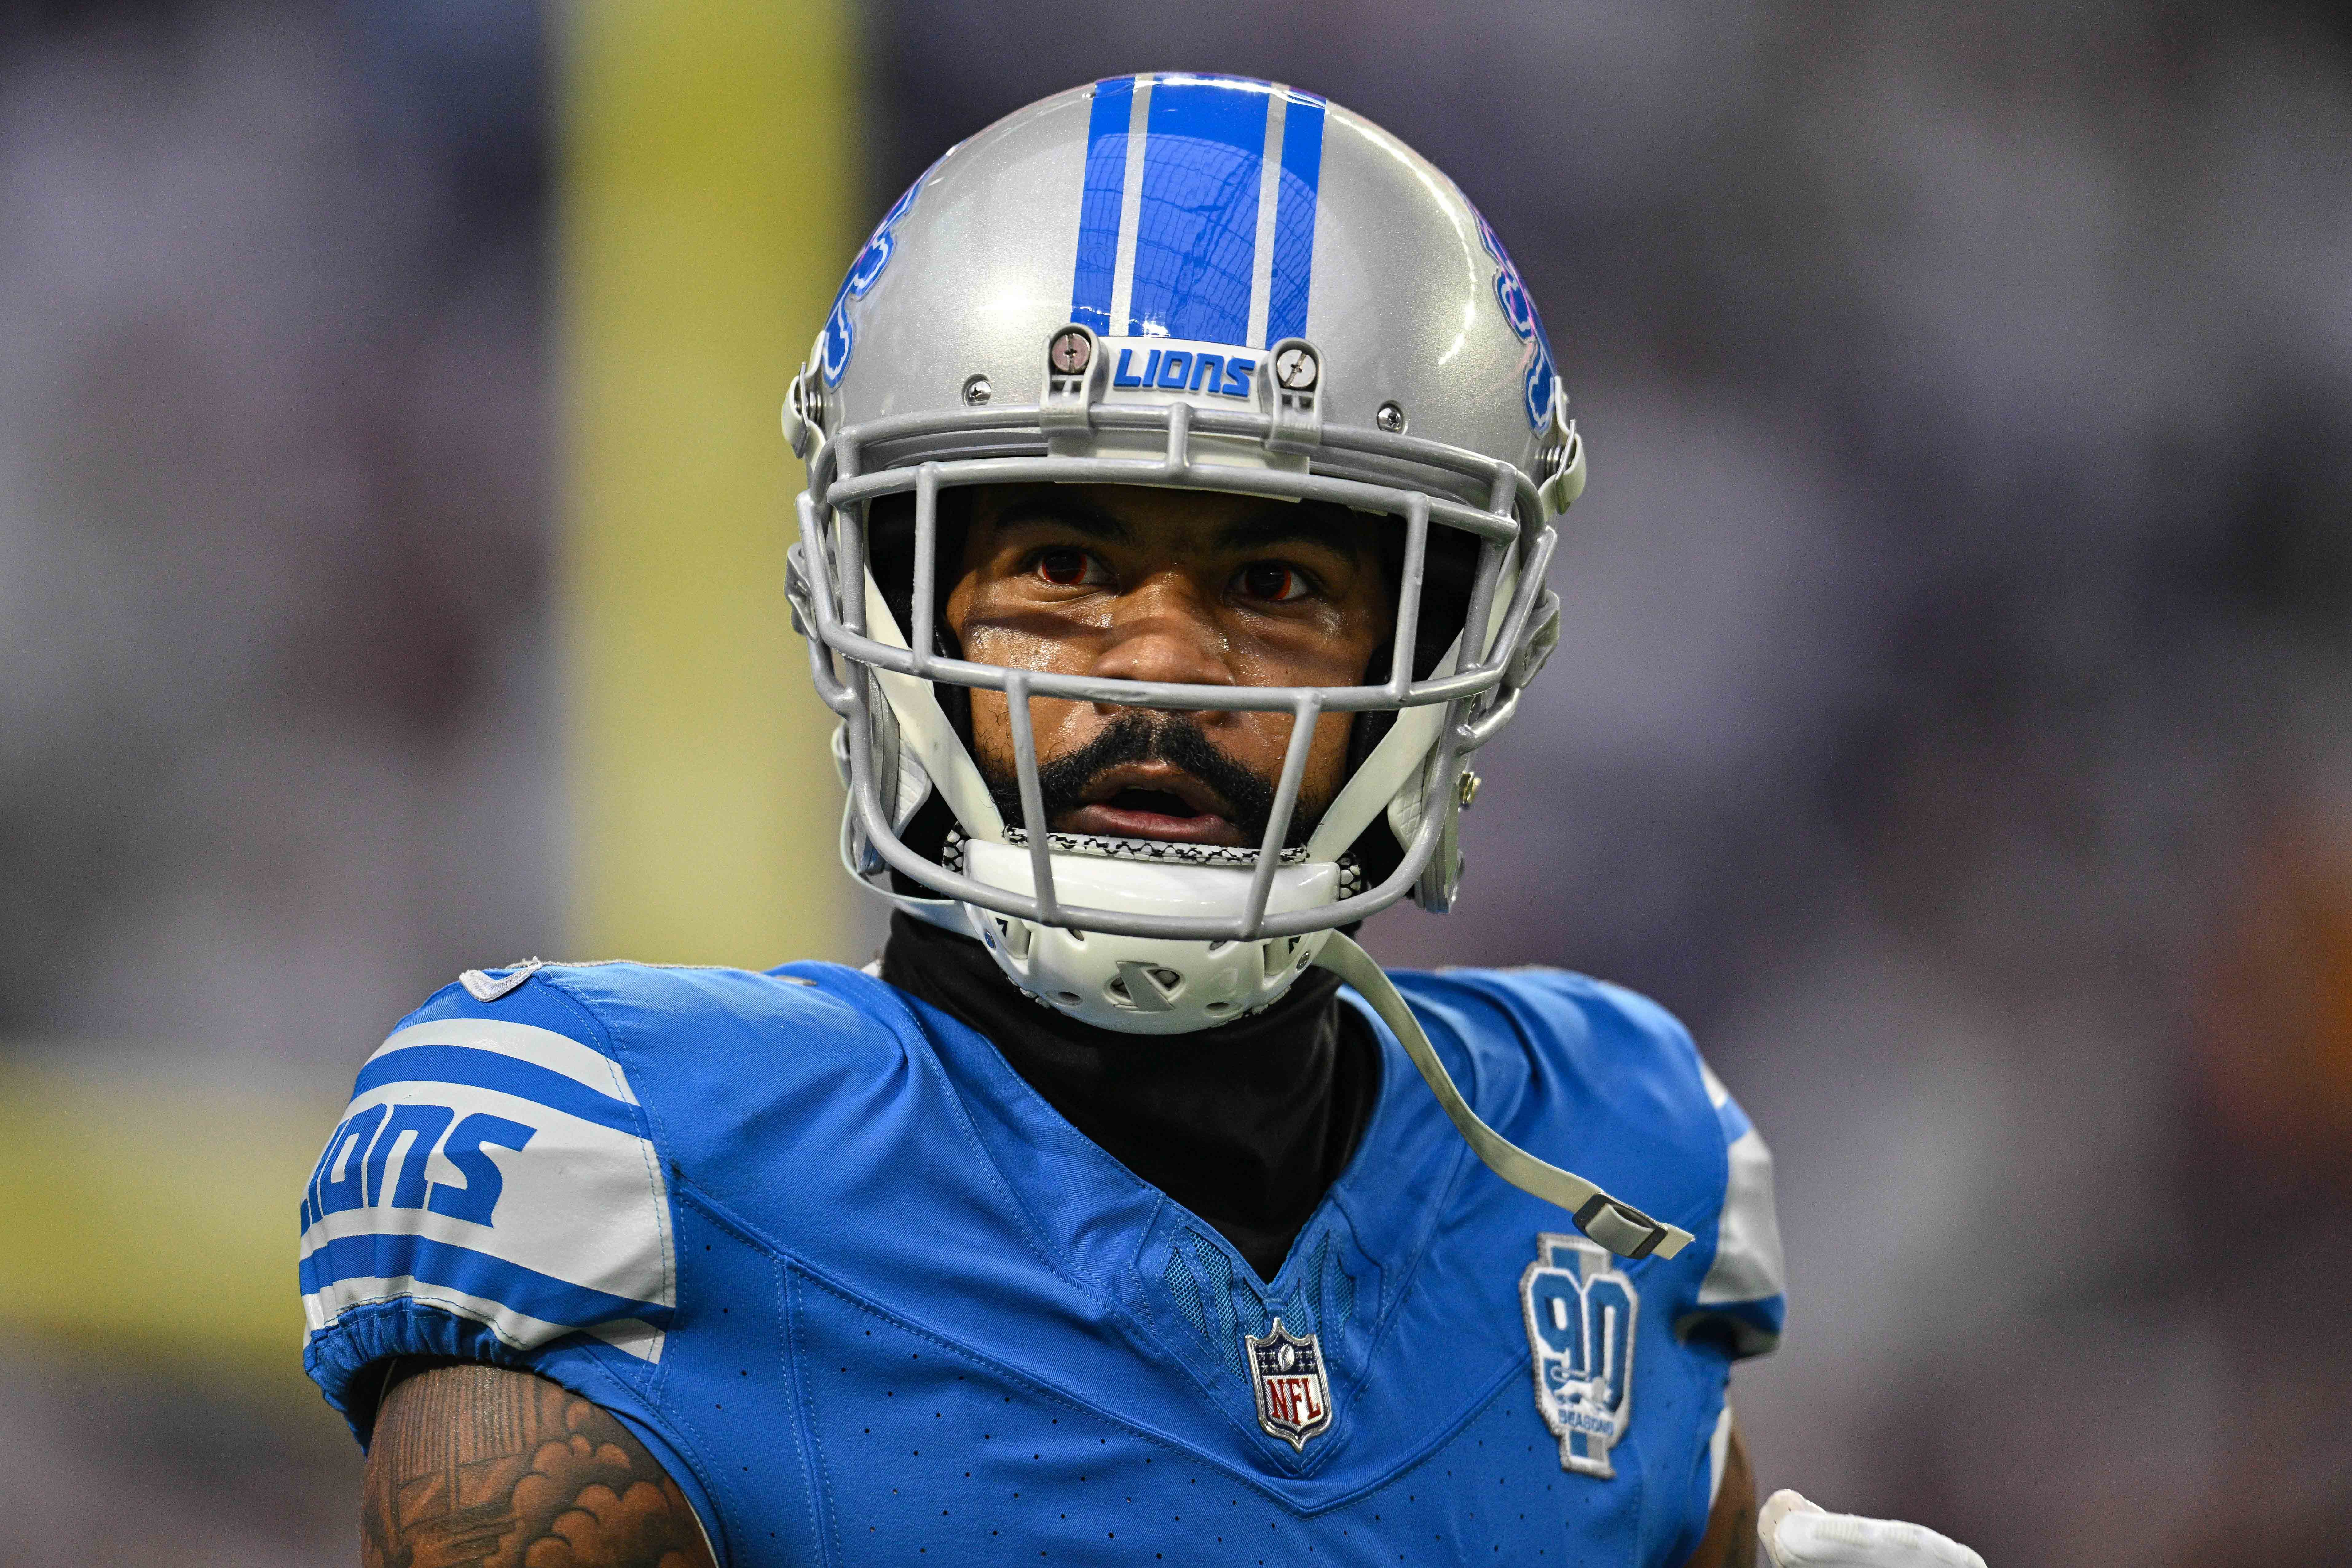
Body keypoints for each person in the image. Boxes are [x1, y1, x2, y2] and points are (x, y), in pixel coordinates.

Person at [297, 74, 1984, 1568]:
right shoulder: (637, 1173)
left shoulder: (1603, 1168)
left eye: (1271, 579)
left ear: (1448, 645)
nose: (1162, 669)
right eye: (1062, 567)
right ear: (893, 607)